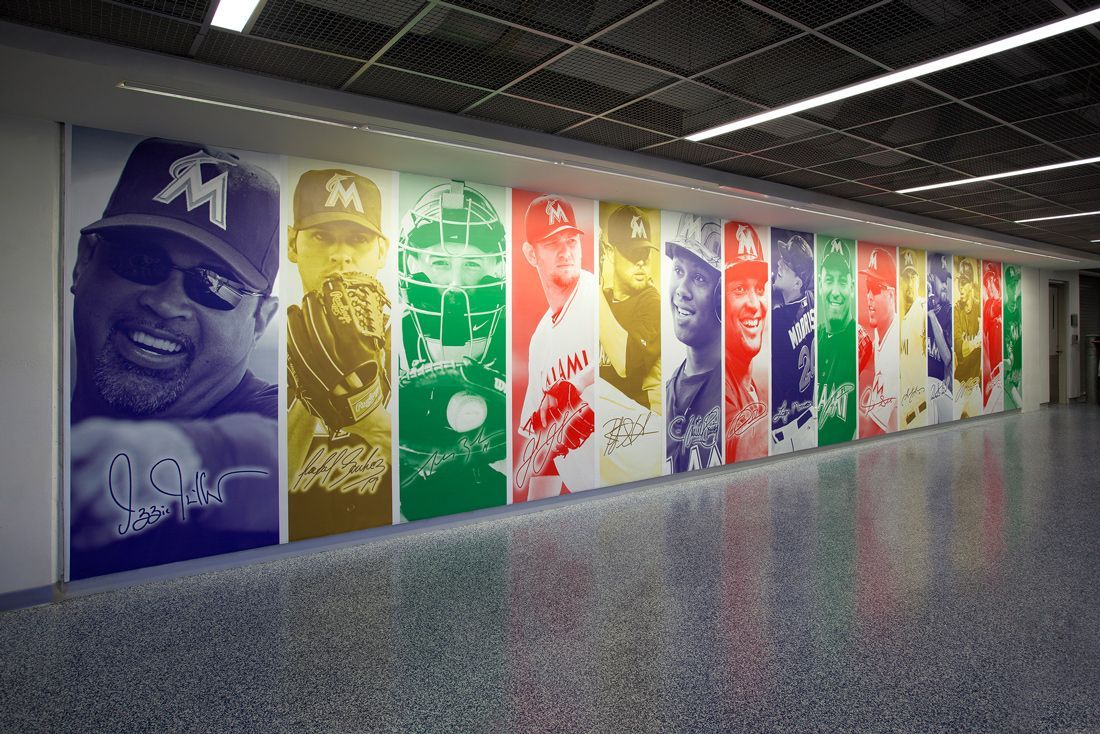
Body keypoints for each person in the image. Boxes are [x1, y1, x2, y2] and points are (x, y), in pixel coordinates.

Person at [68, 137, 280, 579]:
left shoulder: (279, 414)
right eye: (140, 261)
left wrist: (192, 454)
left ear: (261, 318)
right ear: (84, 262)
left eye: (214, 285)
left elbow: (286, 452)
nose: (166, 304)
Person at [285, 168, 393, 540]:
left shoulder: (411, 349)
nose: (341, 256)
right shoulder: (265, 351)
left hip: (387, 532)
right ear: (293, 245)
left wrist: (365, 413)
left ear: (381, 250)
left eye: (358, 239)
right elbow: (266, 488)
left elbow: (427, 471)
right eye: (321, 236)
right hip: (298, 538)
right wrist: (308, 401)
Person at [397, 180, 507, 521]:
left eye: (472, 264)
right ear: (413, 263)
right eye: (441, 263)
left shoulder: (513, 336)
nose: (454, 284)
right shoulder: (390, 337)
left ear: (493, 271)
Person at [514, 194, 596, 500]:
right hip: (583, 494)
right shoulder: (542, 338)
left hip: (627, 477)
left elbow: (633, 362)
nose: (565, 253)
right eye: (552, 244)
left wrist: (579, 382)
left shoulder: (601, 299)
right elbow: (543, 446)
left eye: (571, 241)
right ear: (531, 254)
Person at [664, 214, 723, 473]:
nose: (682, 290)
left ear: (722, 295)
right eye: (678, 271)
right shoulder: (666, 391)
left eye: (699, 278)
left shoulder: (734, 391)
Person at [599, 204, 661, 413]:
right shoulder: (604, 299)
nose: (642, 261)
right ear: (609, 252)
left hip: (633, 425)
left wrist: (593, 292)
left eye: (645, 252)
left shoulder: (651, 302)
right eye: (632, 253)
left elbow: (625, 363)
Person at [724, 222, 769, 463]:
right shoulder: (714, 384)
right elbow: (741, 447)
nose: (754, 304)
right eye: (740, 289)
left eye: (759, 289)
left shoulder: (756, 385)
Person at [769, 231, 816, 453]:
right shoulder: (811, 302)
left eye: (786, 264)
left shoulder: (778, 320)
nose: (779, 263)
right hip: (808, 421)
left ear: (798, 281)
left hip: (786, 433)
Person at [817, 237, 857, 446]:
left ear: (851, 287)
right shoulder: (815, 340)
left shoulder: (861, 344)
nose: (835, 292)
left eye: (842, 282)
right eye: (829, 280)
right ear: (820, 284)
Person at [858, 247, 898, 435]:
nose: (869, 297)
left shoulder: (894, 350)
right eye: (867, 288)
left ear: (891, 295)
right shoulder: (883, 331)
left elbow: (870, 430)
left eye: (875, 289)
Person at [898, 251, 927, 429]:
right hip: (906, 418)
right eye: (905, 277)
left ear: (918, 280)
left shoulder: (922, 307)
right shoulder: (901, 319)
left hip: (922, 412)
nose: (909, 283)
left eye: (912, 276)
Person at [954, 257, 982, 419]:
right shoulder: (958, 309)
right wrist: (975, 342)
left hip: (974, 384)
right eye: (959, 283)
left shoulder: (979, 309)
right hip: (960, 383)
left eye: (964, 283)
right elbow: (960, 348)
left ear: (971, 285)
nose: (961, 288)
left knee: (978, 434)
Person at [927, 254, 953, 424]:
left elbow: (947, 357)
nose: (945, 286)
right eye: (941, 280)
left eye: (946, 281)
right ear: (930, 279)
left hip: (940, 388)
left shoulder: (948, 312)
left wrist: (931, 314)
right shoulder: (919, 308)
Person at [981, 265, 1004, 412]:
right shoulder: (988, 305)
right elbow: (983, 332)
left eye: (991, 280)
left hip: (1003, 357)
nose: (989, 286)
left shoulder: (1005, 303)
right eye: (986, 282)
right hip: (994, 359)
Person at [1003, 265, 1023, 409]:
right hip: (1011, 371)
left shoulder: (1021, 308)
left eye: (1016, 284)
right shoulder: (1004, 315)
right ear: (1007, 288)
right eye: (1011, 285)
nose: (1014, 288)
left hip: (1020, 368)